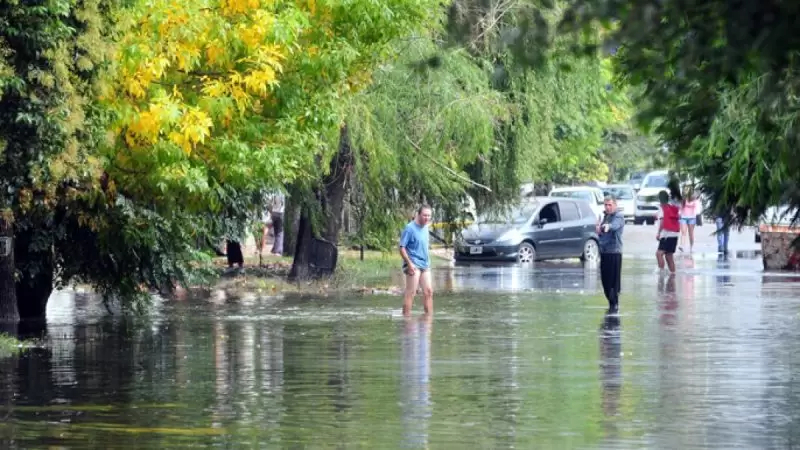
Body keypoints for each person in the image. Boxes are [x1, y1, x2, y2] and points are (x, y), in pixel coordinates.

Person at [399, 205, 433, 316]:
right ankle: (406, 318)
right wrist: (409, 264)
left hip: (425, 264)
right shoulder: (410, 228)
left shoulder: (426, 227)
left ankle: (429, 319)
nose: (427, 218)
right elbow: (401, 247)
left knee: (428, 292)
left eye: (429, 216)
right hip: (413, 263)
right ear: (418, 214)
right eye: (424, 215)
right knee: (411, 292)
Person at [597, 195, 625, 314]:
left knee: (613, 283)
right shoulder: (605, 216)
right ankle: (611, 304)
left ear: (615, 205)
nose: (608, 207)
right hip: (604, 251)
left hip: (614, 252)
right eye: (606, 205)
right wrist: (599, 230)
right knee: (605, 281)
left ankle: (614, 306)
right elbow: (602, 231)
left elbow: (614, 226)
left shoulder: (618, 216)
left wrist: (606, 227)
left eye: (610, 205)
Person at [656, 190, 681, 273]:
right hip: (675, 234)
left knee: (659, 254)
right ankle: (673, 274)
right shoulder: (671, 207)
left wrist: (658, 233)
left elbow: (662, 222)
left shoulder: (662, 208)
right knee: (669, 256)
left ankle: (661, 273)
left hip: (666, 235)